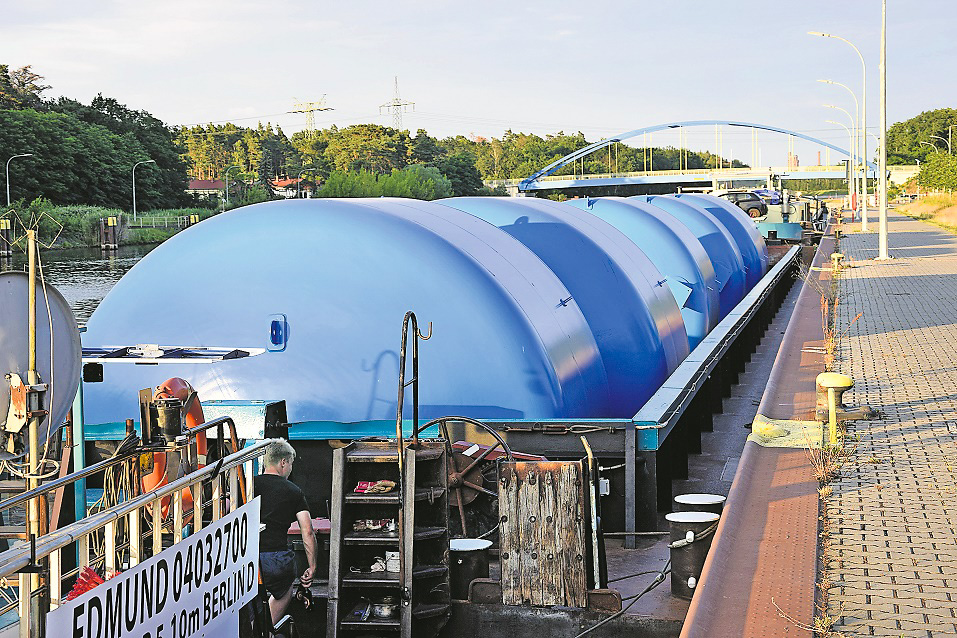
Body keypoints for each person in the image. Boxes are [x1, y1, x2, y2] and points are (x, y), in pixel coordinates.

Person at [254, 439, 318, 626]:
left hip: (247, 559)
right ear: (283, 462)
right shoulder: (294, 491)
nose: (290, 469)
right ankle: (266, 629)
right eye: (290, 464)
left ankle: (251, 627)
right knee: (284, 591)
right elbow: (307, 531)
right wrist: (312, 567)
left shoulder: (247, 486)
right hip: (276, 559)